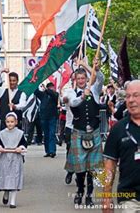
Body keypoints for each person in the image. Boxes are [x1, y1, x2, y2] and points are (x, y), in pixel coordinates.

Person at [63, 59, 104, 207]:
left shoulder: (94, 90)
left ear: (87, 79)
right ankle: (80, 191)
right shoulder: (71, 92)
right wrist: (82, 96)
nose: (81, 81)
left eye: (83, 78)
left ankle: (89, 196)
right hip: (78, 132)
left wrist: (89, 66)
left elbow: (100, 78)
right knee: (80, 167)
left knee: (91, 168)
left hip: (94, 132)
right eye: (78, 79)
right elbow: (72, 103)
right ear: (75, 80)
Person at [102, 80, 140, 213]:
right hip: (130, 196)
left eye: (136, 95)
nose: (130, 100)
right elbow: (110, 164)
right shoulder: (118, 129)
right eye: (128, 96)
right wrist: (106, 197)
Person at [0, 112, 27, 209]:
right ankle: (6, 192)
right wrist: (0, 148)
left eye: (12, 122)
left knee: (15, 178)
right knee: (5, 177)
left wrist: (20, 148)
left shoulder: (20, 134)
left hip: (15, 159)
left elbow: (24, 144)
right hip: (5, 158)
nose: (10, 124)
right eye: (8, 122)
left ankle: (13, 201)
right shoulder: (2, 133)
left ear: (16, 122)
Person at [35, 83, 59, 157]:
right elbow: (36, 92)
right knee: (46, 134)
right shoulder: (43, 95)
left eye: (52, 87)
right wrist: (36, 82)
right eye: (50, 87)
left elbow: (53, 95)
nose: (51, 88)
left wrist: (47, 90)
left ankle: (52, 151)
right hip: (44, 117)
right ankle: (48, 151)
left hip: (52, 117)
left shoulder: (55, 94)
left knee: (52, 134)